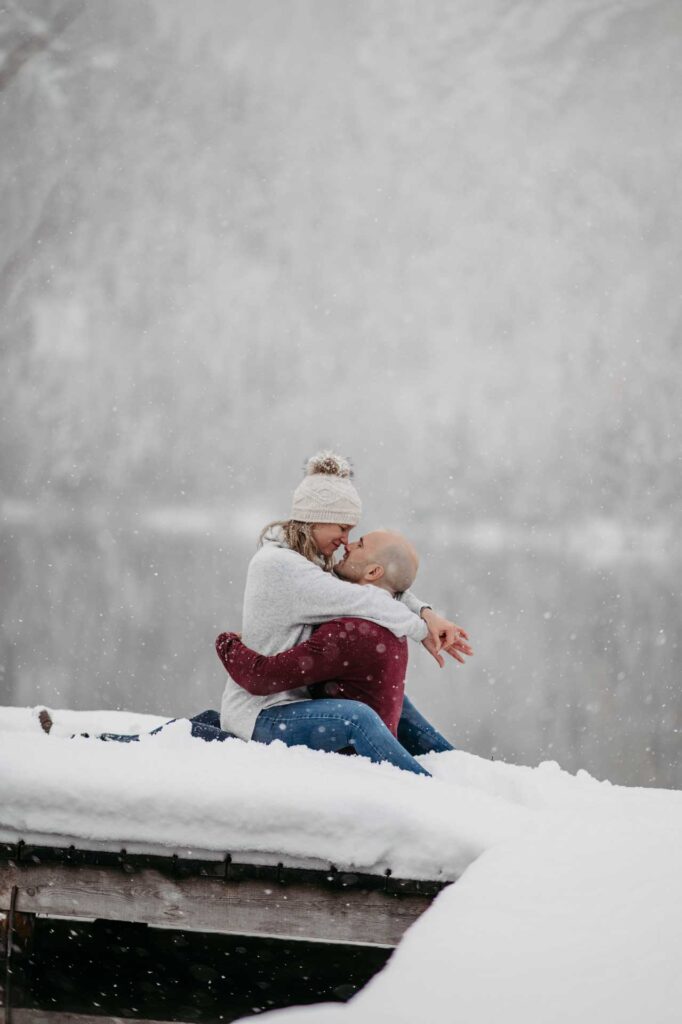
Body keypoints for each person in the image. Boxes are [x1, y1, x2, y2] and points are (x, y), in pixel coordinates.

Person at [214, 453, 471, 776]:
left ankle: (463, 768)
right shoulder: (282, 567)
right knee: (357, 719)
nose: (346, 541)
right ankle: (423, 788)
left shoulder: (309, 563)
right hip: (260, 714)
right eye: (343, 528)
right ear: (317, 519)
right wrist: (421, 630)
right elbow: (366, 596)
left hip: (295, 702)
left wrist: (426, 612)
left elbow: (374, 586)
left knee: (395, 702)